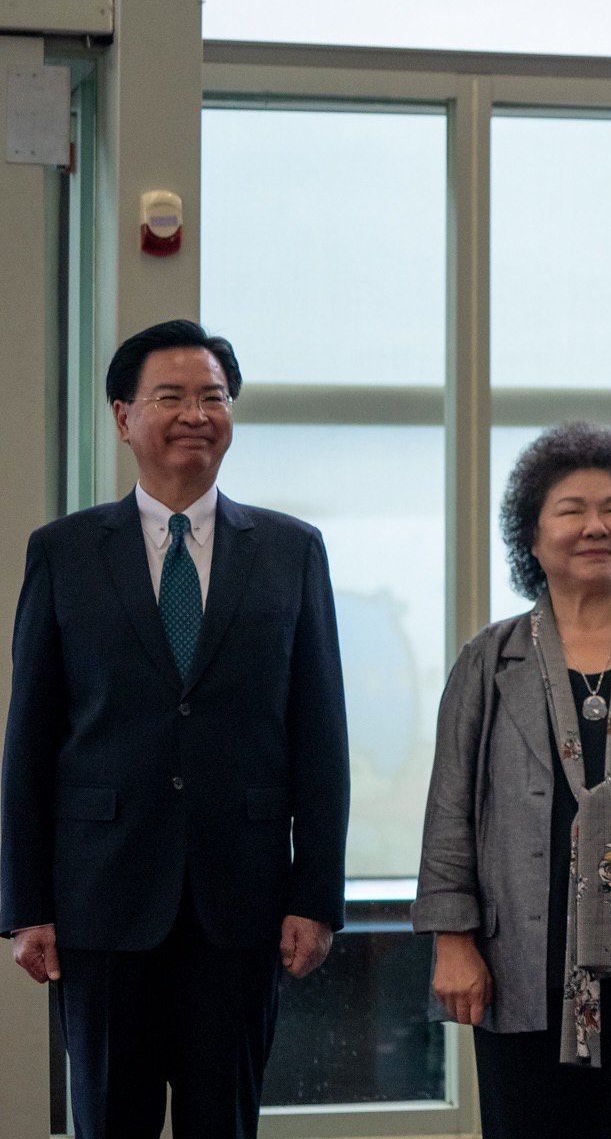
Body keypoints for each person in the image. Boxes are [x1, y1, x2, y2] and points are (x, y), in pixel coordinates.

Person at [0, 319, 349, 1138]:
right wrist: (26, 905)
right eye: (172, 397)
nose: (197, 414)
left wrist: (316, 896)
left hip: (242, 899)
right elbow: (30, 739)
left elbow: (320, 736)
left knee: (221, 1122)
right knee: (108, 1120)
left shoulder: (292, 552)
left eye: (213, 397)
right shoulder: (65, 552)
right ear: (125, 417)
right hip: (102, 899)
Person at [414, 422, 611, 1138]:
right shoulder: (491, 658)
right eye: (570, 509)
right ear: (533, 533)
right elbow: (451, 804)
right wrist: (452, 938)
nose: (594, 526)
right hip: (526, 959)